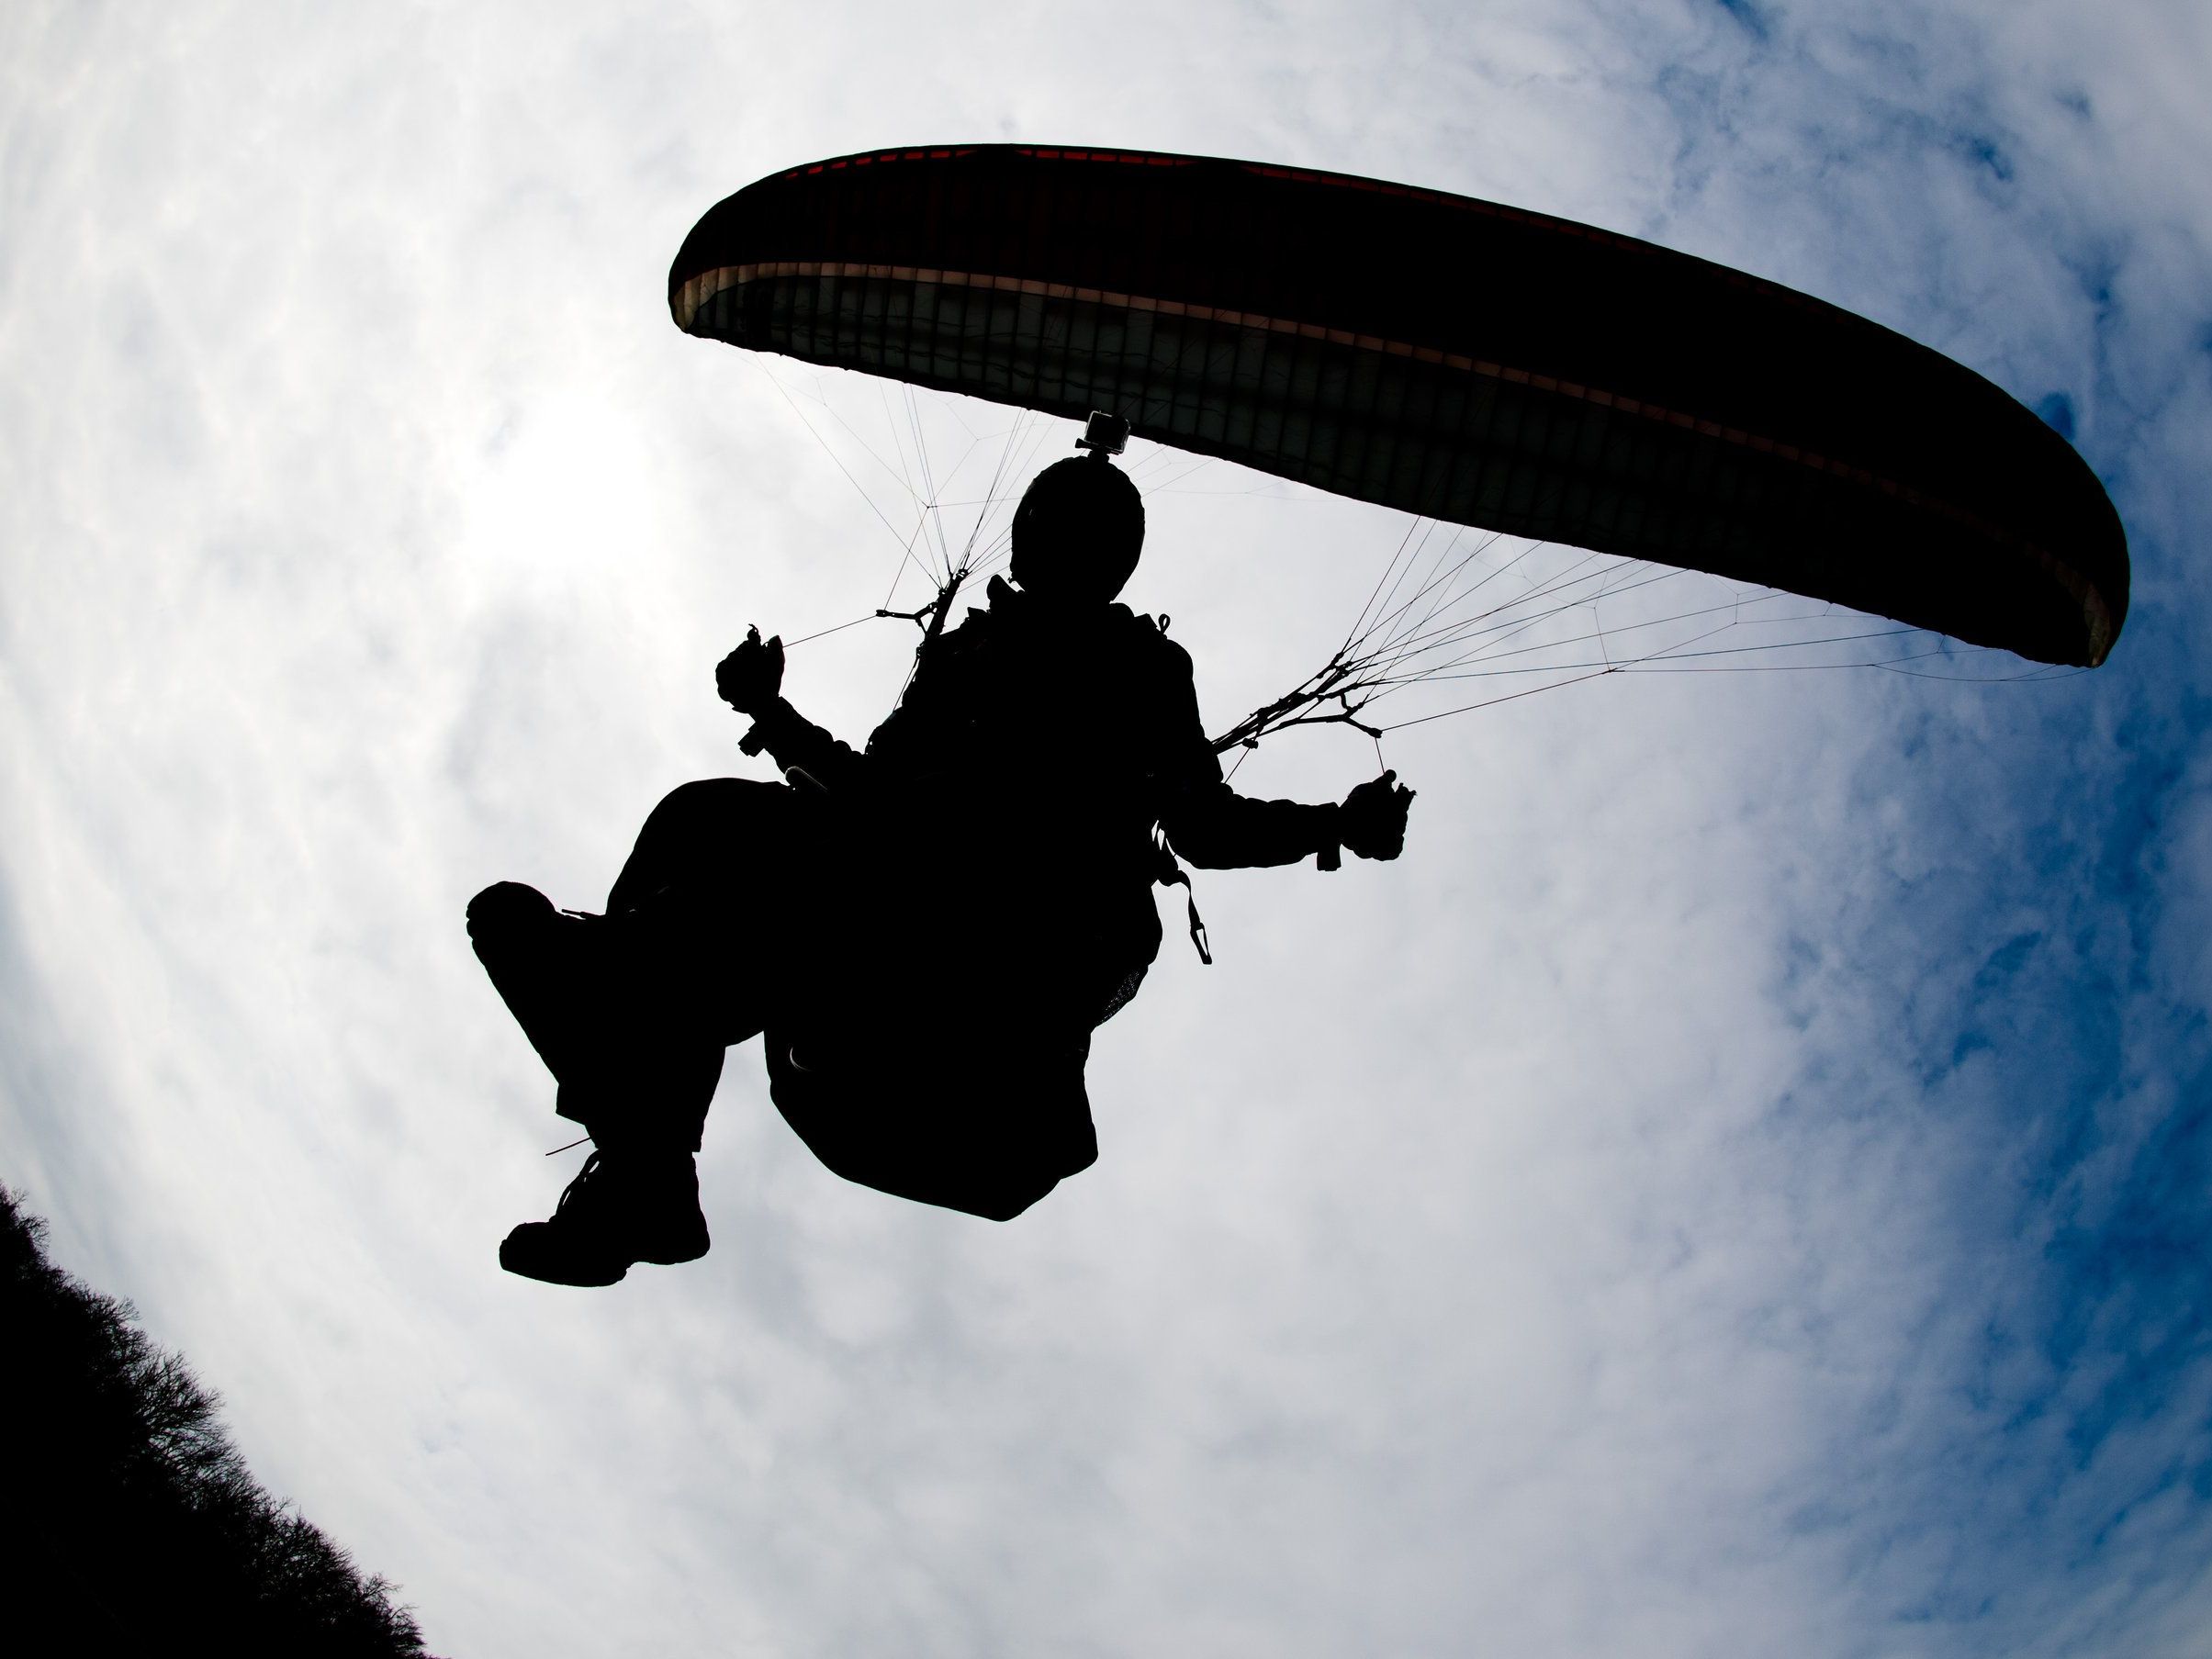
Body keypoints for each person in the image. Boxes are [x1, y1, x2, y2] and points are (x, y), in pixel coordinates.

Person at [469, 441, 1414, 1285]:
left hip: (1036, 938)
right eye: (1048, 522)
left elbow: (1204, 824)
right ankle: (645, 1170)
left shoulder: (1142, 667)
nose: (1051, 543)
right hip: (899, 925)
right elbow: (868, 789)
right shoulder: (967, 654)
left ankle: (649, 1077)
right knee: (704, 818)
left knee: (818, 855)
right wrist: (773, 714)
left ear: (1107, 560)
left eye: (1076, 532)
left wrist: (1334, 823)